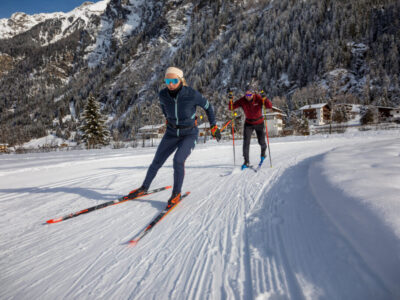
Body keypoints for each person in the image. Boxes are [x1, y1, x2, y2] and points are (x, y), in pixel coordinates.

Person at [129, 67, 221, 207]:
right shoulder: (162, 94)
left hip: (189, 133)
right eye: (167, 80)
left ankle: (176, 193)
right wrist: (168, 118)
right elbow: (164, 108)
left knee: (178, 160)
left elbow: (208, 107)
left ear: (180, 80)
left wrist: (213, 126)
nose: (170, 84)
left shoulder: (192, 94)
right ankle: (144, 188)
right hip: (171, 133)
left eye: (174, 80)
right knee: (156, 161)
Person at [229, 88, 272, 170]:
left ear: (253, 94)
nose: (247, 97)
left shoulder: (258, 98)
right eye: (246, 95)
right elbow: (231, 108)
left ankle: (263, 153)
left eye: (249, 95)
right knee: (246, 142)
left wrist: (264, 98)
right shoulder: (242, 100)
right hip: (248, 123)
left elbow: (269, 106)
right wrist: (230, 100)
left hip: (259, 122)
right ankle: (246, 161)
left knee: (261, 141)